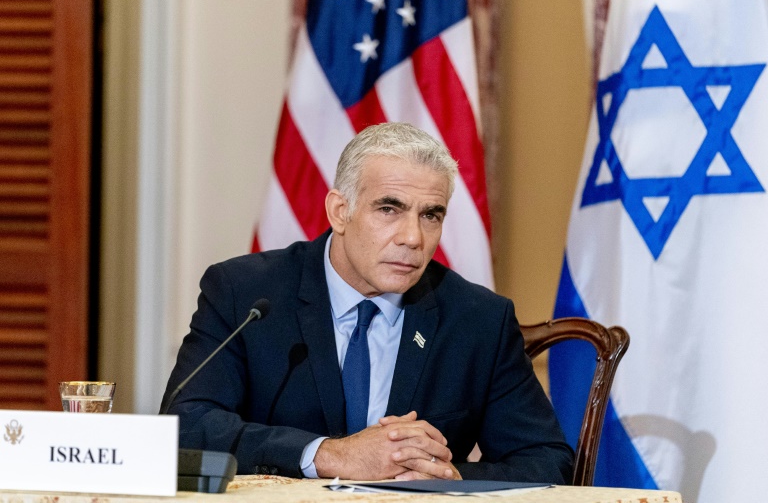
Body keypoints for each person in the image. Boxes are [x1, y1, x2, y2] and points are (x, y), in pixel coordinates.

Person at [161, 122, 573, 482]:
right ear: (340, 211)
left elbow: (547, 460)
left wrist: (446, 476)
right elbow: (185, 427)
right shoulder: (245, 293)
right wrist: (328, 455)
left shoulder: (478, 319)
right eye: (389, 209)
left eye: (430, 215)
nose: (412, 237)